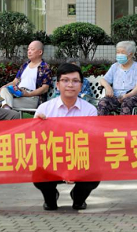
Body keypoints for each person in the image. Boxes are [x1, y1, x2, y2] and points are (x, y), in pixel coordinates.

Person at [33, 63, 99, 211]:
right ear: (57, 85)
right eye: (65, 80)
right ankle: (50, 198)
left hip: (79, 158)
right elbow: (36, 142)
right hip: (52, 158)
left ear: (81, 86)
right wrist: (38, 125)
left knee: (94, 173)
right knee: (38, 174)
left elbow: (90, 142)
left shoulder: (90, 110)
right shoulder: (44, 109)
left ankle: (78, 198)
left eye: (75, 81)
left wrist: (73, 167)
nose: (70, 85)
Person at [0, 41, 52, 110]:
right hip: (17, 93)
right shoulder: (25, 65)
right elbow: (15, 82)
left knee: (3, 103)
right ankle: (7, 110)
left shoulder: (45, 67)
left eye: (32, 49)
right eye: (28, 49)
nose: (29, 52)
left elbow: (45, 88)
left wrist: (28, 94)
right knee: (4, 90)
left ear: (40, 52)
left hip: (32, 97)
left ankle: (6, 110)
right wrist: (3, 87)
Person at [97, 41, 137, 116]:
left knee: (127, 102)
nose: (119, 54)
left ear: (131, 54)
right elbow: (103, 80)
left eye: (122, 52)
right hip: (117, 96)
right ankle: (103, 123)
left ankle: (123, 124)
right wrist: (108, 87)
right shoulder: (115, 66)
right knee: (103, 102)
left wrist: (127, 95)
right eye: (118, 52)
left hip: (134, 96)